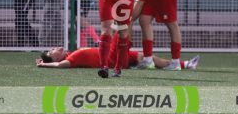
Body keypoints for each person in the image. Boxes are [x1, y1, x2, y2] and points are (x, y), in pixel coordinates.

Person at [36, 32, 200, 70]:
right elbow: (60, 66)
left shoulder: (73, 52)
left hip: (114, 55)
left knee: (147, 56)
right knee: (121, 26)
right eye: (51, 52)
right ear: (54, 59)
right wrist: (45, 65)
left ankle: (185, 64)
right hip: (113, 59)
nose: (54, 49)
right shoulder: (72, 58)